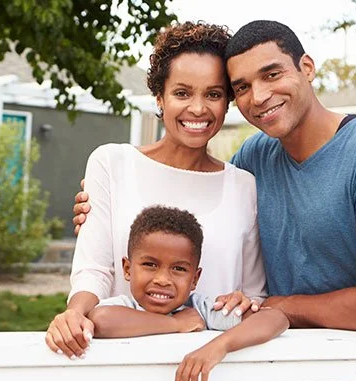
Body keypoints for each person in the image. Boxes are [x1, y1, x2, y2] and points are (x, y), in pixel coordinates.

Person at [72, 20, 356, 334]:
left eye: (272, 74)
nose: (259, 96)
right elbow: (192, 210)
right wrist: (105, 212)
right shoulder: (254, 160)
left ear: (306, 67)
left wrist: (279, 305)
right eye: (243, 86)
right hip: (278, 369)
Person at [46, 22, 267, 359]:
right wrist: (76, 313)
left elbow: (255, 294)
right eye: (182, 93)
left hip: (214, 371)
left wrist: (248, 302)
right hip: (123, 362)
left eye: (213, 94)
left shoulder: (243, 185)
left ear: (227, 102)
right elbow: (94, 268)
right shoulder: (111, 163)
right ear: (160, 97)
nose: (198, 108)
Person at [89, 205, 288, 381]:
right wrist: (175, 324)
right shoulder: (125, 307)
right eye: (150, 264)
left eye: (179, 269)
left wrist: (218, 346)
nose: (162, 279)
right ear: (127, 269)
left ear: (195, 279)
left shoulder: (201, 311)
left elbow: (275, 318)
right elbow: (101, 320)